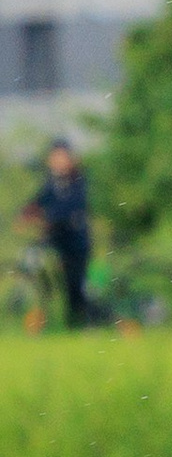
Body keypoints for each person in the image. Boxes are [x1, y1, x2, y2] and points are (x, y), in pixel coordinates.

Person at [21, 138, 96, 327]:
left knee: (75, 287)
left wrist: (47, 217)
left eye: (62, 157)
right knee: (35, 257)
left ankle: (84, 322)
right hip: (56, 238)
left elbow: (71, 206)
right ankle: (42, 302)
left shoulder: (77, 181)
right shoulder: (51, 181)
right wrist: (26, 213)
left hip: (75, 241)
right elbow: (40, 199)